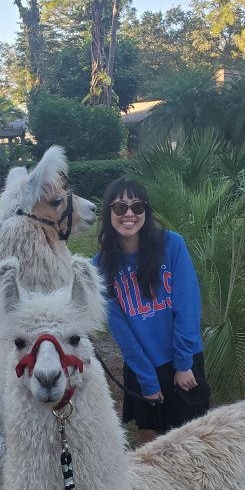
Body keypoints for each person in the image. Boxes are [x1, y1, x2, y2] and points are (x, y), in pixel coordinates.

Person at [93, 176, 210, 445]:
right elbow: (121, 332)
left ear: (146, 211)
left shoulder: (172, 245)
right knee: (152, 444)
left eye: (137, 206)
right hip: (141, 365)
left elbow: (187, 308)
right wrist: (147, 380)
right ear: (109, 213)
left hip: (183, 360)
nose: (129, 214)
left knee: (191, 443)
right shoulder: (100, 266)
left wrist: (183, 364)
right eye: (120, 207)